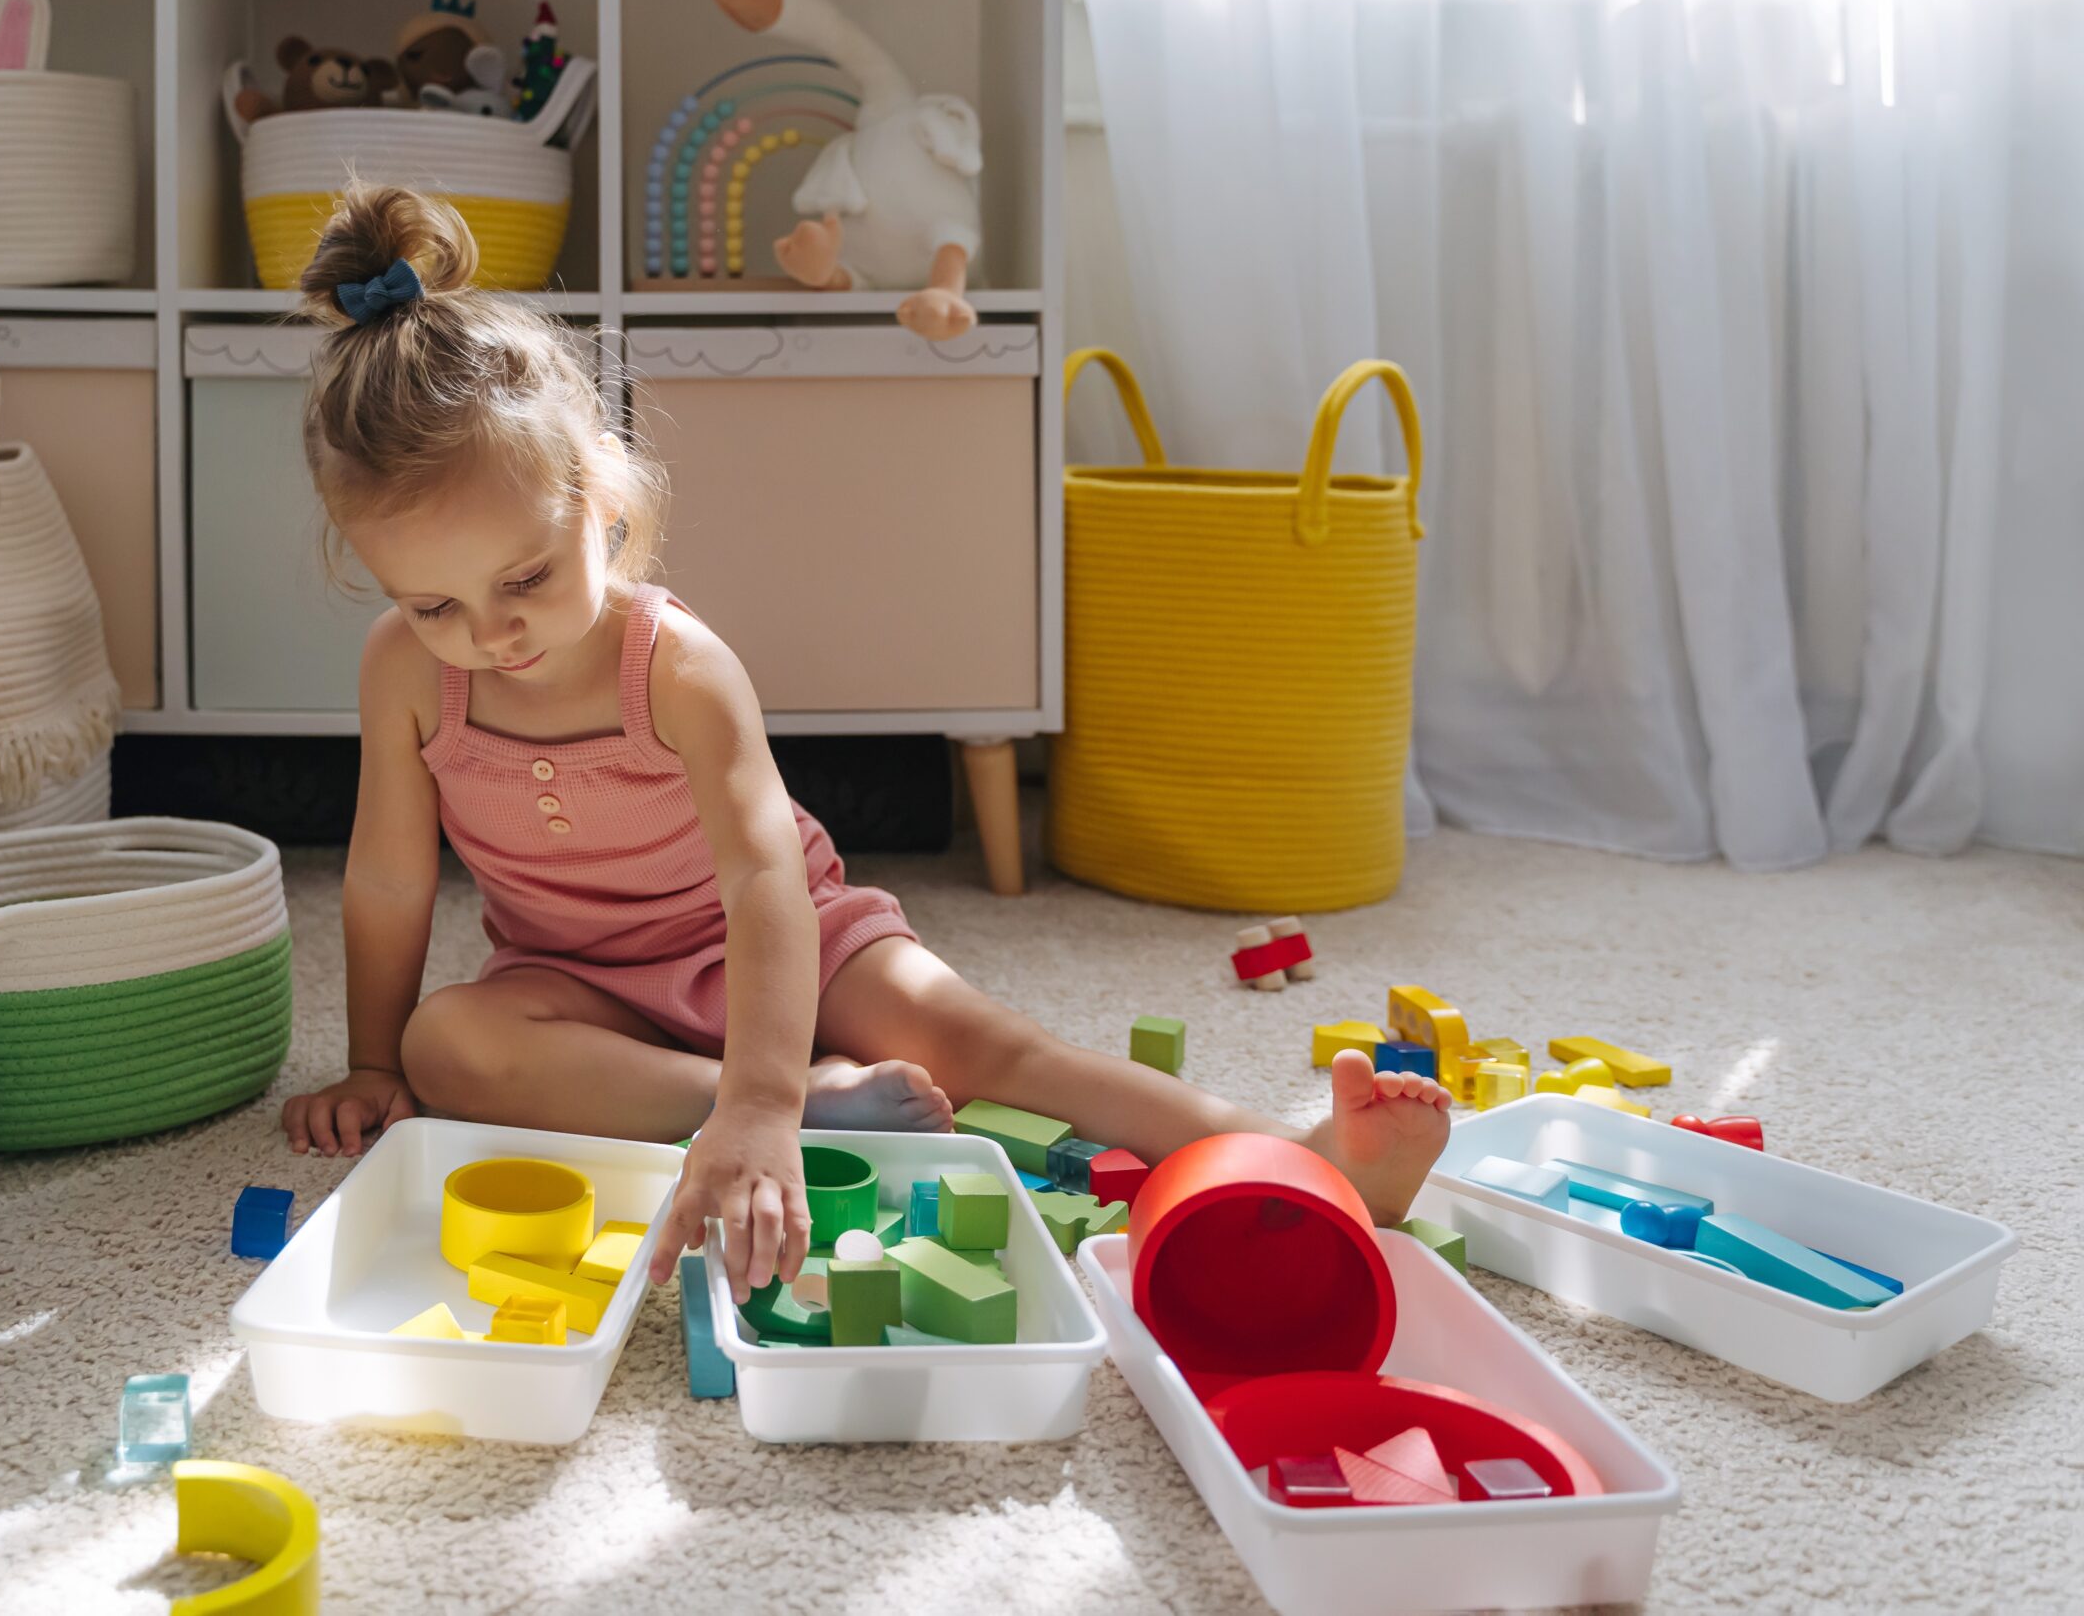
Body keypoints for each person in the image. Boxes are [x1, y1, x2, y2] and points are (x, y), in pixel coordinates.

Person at [277, 184, 1451, 1300]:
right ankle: (774, 1101)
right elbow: (388, 876)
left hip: (794, 943)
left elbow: (763, 884)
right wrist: (375, 1061)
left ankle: (1307, 1159)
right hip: (580, 983)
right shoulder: (406, 670)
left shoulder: (677, 666)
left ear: (601, 496)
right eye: (433, 605)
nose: (487, 636)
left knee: (998, 1052)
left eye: (523, 577)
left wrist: (763, 1087)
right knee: (453, 1047)